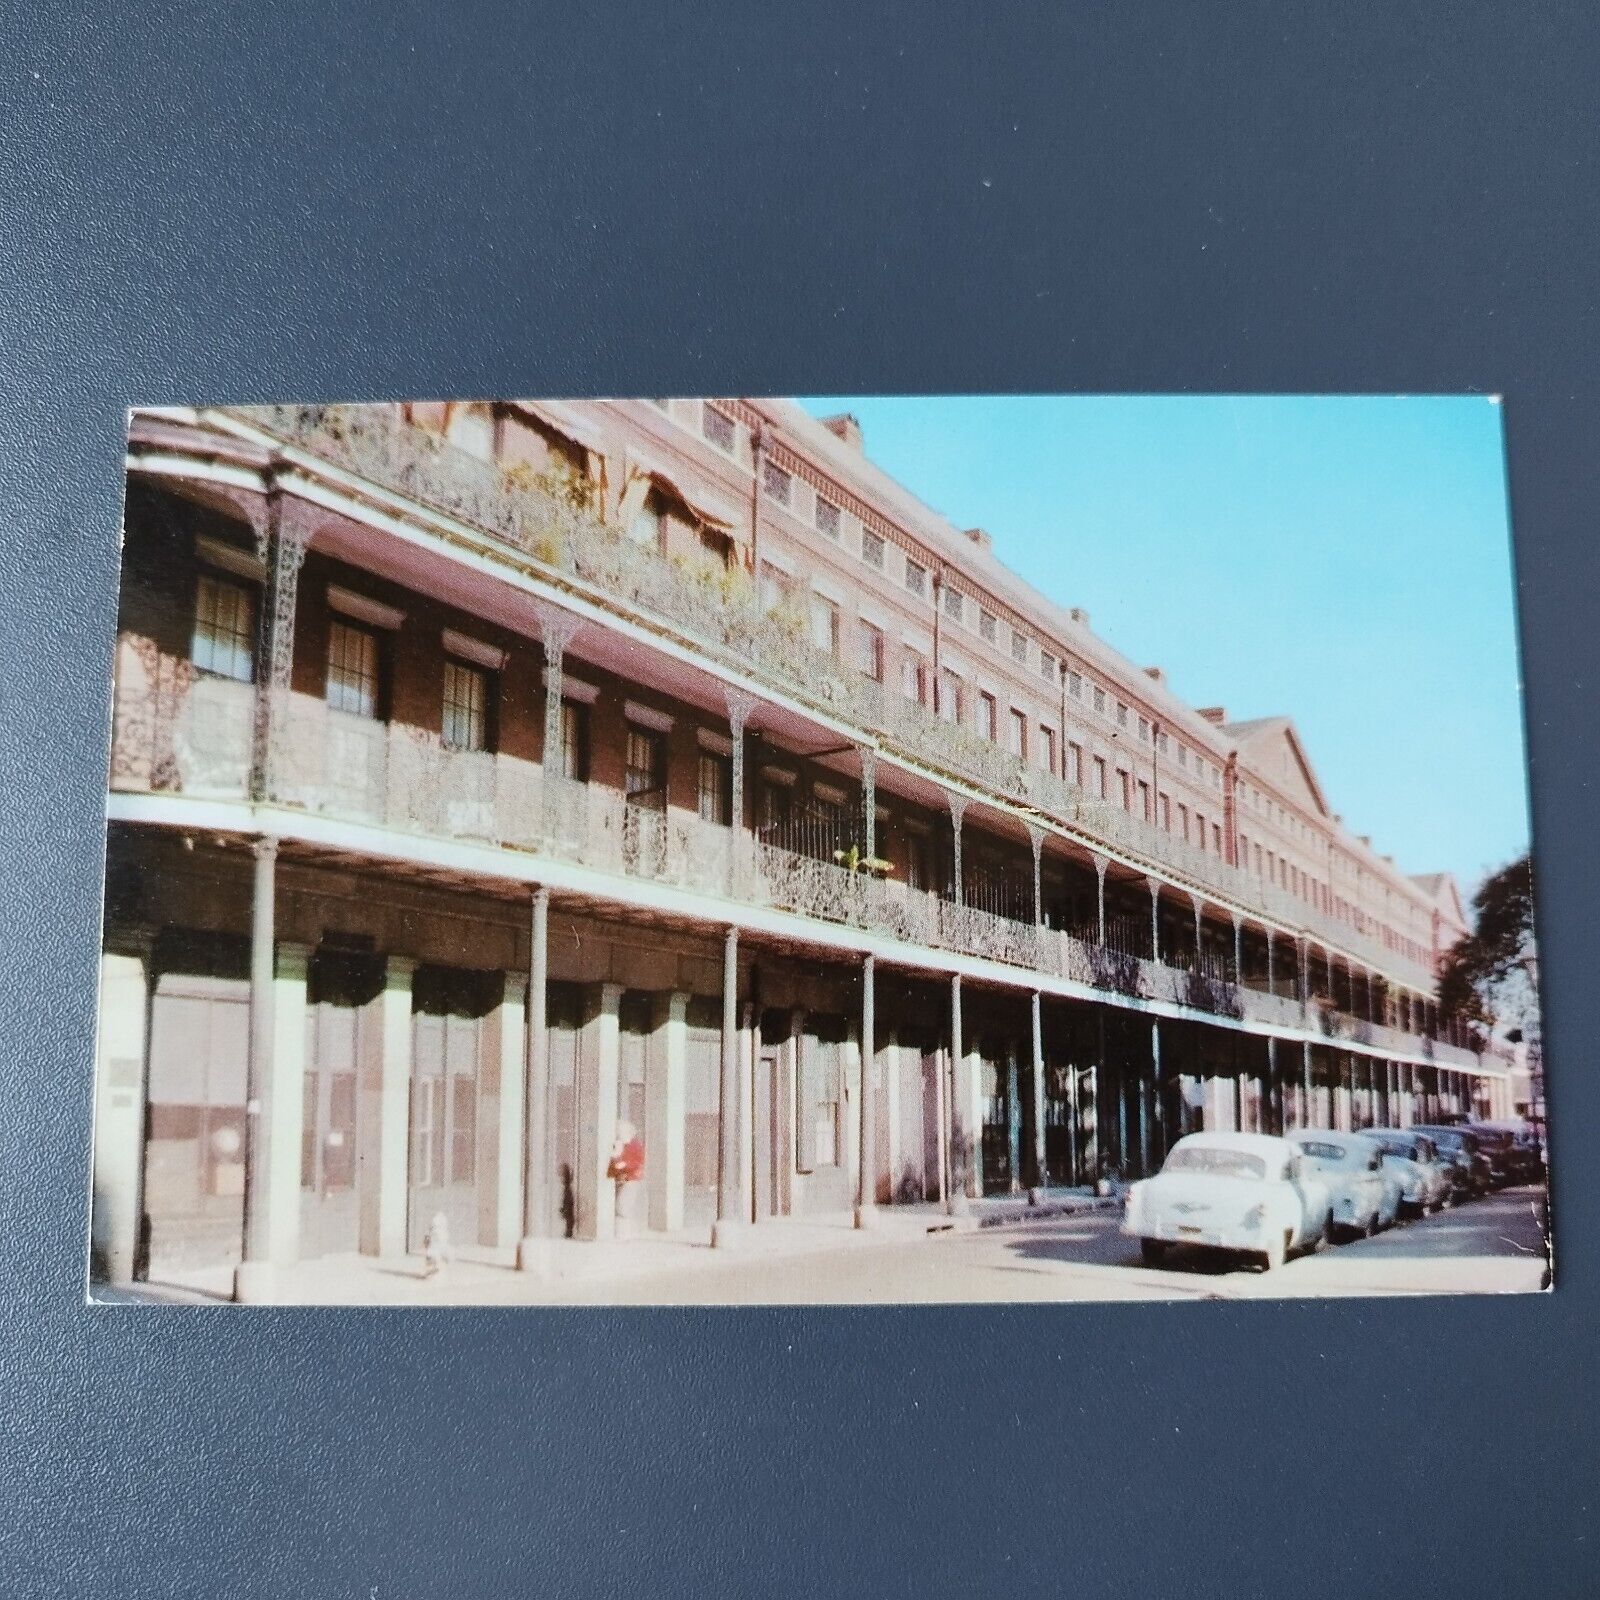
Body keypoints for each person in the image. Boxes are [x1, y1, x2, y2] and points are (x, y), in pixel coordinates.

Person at [607, 1121, 645, 1239]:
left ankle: (624, 1234)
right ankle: (621, 1233)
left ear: (629, 1132)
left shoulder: (634, 1145)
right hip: (620, 1179)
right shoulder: (620, 1144)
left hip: (630, 1180)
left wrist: (623, 1164)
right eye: (618, 1132)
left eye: (621, 1131)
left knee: (622, 1207)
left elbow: (638, 1162)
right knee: (621, 1207)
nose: (619, 1134)